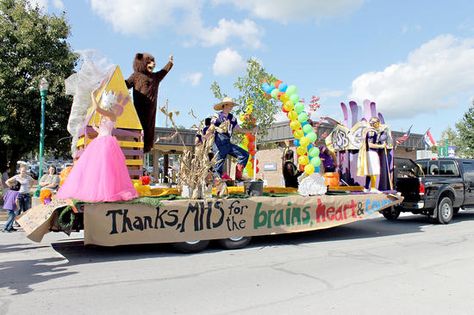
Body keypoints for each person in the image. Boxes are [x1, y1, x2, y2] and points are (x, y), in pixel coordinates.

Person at [56, 90, 138, 202]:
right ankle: (93, 189)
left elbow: (97, 109)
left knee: (106, 167)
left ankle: (106, 191)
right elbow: (103, 129)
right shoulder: (105, 116)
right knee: (97, 167)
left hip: (106, 142)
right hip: (100, 140)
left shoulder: (111, 115)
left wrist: (93, 96)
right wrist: (96, 129)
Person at [206, 97, 257, 181]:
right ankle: (216, 185)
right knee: (218, 165)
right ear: (225, 105)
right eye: (230, 105)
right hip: (219, 143)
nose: (232, 107)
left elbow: (239, 129)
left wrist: (251, 131)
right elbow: (212, 127)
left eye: (232, 105)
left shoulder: (232, 118)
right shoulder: (217, 116)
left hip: (227, 142)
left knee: (244, 154)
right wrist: (206, 136)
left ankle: (238, 176)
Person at [357, 117, 386, 192]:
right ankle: (373, 187)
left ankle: (366, 187)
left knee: (370, 171)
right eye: (377, 122)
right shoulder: (371, 131)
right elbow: (370, 144)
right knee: (374, 170)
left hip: (369, 152)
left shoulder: (368, 130)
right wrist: (381, 146)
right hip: (371, 152)